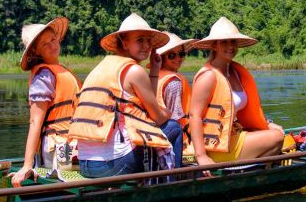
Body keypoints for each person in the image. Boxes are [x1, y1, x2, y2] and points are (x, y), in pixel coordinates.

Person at [68, 13, 181, 178]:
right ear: (124, 42)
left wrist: (155, 70)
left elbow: (143, 108)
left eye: (149, 40)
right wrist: (167, 112)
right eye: (140, 40)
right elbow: (157, 118)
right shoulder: (134, 71)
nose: (146, 46)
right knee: (174, 126)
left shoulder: (100, 67)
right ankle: (173, 186)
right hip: (113, 164)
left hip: (86, 164)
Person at [188, 17, 284, 170]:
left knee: (277, 130)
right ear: (214, 45)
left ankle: (254, 171)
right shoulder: (208, 76)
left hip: (234, 134)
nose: (230, 46)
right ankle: (255, 172)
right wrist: (201, 156)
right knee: (277, 138)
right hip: (217, 146)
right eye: (224, 42)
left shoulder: (235, 71)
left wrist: (267, 124)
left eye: (233, 42)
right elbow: (194, 116)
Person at [11, 16, 81, 187]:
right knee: (66, 183)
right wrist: (27, 165)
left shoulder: (61, 71)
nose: (53, 45)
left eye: (53, 39)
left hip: (71, 142)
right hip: (59, 145)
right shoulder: (44, 76)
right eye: (45, 44)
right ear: (36, 52)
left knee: (72, 179)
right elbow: (35, 121)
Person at [152, 32, 197, 166]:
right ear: (162, 57)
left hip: (158, 137)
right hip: (181, 145)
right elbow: (175, 120)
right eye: (172, 55)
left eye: (181, 54)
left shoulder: (154, 77)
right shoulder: (174, 82)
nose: (178, 58)